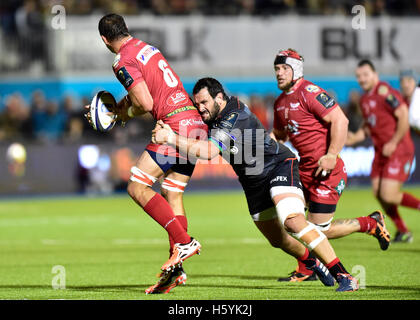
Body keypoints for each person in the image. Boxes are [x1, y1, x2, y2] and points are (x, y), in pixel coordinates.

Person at [153, 77, 359, 292]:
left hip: (277, 166)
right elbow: (190, 133)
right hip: (252, 182)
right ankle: (312, 262)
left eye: (204, 102)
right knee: (278, 240)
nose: (201, 108)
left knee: (293, 221)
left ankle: (344, 275)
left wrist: (169, 137)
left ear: (220, 98)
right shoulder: (211, 116)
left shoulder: (234, 114)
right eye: (197, 104)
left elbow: (208, 151)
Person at [85, 14, 207, 294]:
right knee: (172, 193)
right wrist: (121, 107)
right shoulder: (147, 47)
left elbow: (145, 102)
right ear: (125, 30)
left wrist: (125, 113)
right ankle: (176, 269)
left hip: (173, 124)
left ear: (104, 40)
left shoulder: (121, 61)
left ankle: (184, 243)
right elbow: (147, 91)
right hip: (193, 122)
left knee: (137, 185)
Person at [270, 50, 390, 282]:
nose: (279, 73)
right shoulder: (280, 103)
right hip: (303, 171)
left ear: (296, 69)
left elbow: (340, 120)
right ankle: (307, 270)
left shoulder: (310, 92)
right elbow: (279, 135)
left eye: (284, 68)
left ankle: (369, 223)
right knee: (291, 221)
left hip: (327, 172)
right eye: (276, 69)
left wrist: (332, 154)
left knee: (317, 231)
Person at [347, 60, 420, 243]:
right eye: (359, 76)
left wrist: (394, 142)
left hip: (398, 149)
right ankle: (403, 231)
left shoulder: (385, 92)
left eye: (365, 75)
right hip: (381, 151)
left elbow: (402, 114)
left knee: (389, 194)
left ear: (374, 74)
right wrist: (354, 137)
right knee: (378, 193)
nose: (362, 79)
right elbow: (368, 126)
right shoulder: (364, 100)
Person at [399, 69, 420, 134]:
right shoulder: (398, 102)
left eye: (409, 81)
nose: (406, 85)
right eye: (403, 82)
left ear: (415, 83)